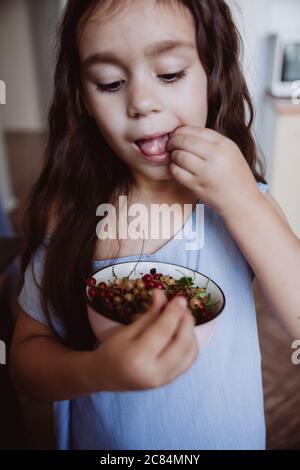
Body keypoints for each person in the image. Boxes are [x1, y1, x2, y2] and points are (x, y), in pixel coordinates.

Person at [10, 0, 300, 450]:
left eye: (169, 74)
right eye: (110, 82)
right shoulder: (70, 214)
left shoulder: (243, 201)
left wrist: (242, 200)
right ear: (83, 100)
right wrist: (97, 371)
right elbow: (26, 358)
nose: (142, 103)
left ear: (212, 73)